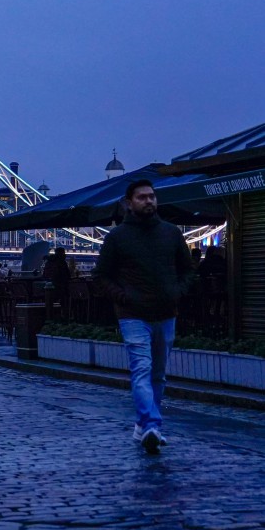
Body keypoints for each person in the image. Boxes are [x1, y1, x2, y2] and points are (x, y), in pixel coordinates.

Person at [92, 179, 194, 455]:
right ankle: (152, 424)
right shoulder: (117, 238)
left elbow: (188, 270)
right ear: (129, 202)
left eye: (152, 197)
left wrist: (177, 292)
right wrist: (124, 297)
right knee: (141, 370)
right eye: (142, 197)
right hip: (132, 315)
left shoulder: (172, 233)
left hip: (166, 313)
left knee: (158, 375)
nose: (149, 201)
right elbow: (101, 276)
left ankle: (145, 426)